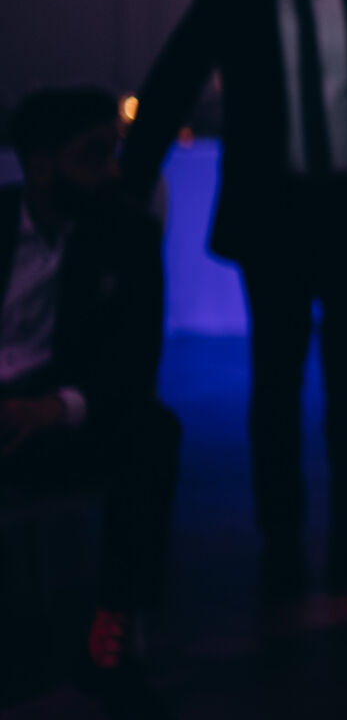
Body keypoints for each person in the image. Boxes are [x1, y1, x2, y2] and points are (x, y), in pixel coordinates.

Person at [120, 0, 347, 606]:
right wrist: (124, 195)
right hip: (273, 220)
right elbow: (168, 91)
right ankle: (280, 543)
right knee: (275, 386)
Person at [2, 88, 180, 706]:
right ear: (40, 166)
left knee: (153, 433)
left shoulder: (128, 232)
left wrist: (57, 407)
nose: (112, 171)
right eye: (93, 155)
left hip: (60, 413)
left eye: (113, 153)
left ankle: (112, 635)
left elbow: (135, 363)